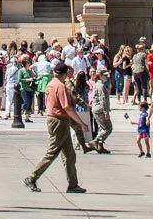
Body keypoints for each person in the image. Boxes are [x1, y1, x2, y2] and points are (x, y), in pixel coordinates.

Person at [23, 64, 86, 195]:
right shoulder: (60, 86)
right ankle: (31, 178)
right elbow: (67, 107)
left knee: (69, 154)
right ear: (64, 73)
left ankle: (73, 184)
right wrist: (81, 123)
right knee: (52, 152)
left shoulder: (51, 84)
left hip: (56, 119)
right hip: (59, 120)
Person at [89, 66, 112, 152]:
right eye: (105, 75)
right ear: (100, 75)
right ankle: (94, 141)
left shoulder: (97, 84)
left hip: (96, 109)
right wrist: (106, 112)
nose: (106, 77)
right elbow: (103, 100)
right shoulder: (101, 86)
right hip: (100, 109)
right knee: (108, 128)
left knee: (101, 128)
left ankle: (100, 146)